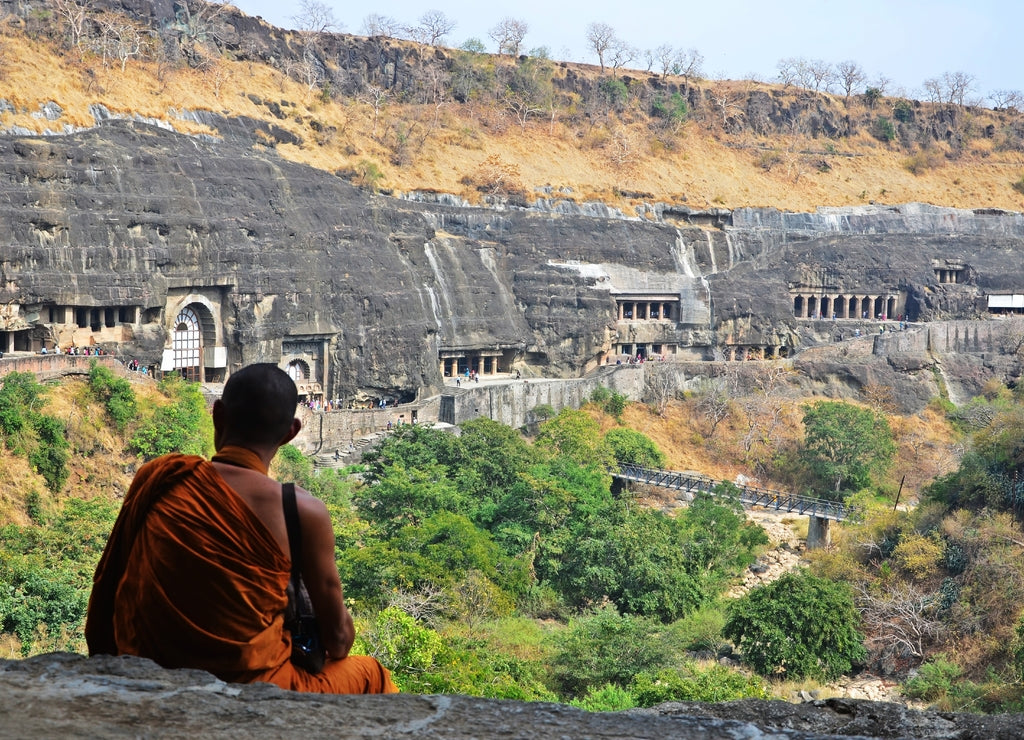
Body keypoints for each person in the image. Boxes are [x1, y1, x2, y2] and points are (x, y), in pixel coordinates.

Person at [85, 363, 397, 694]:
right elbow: (338, 641)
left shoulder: (162, 478)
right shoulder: (302, 511)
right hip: (250, 686)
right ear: (291, 432)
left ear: (217, 414)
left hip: (147, 672)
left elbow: (109, 587)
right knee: (371, 674)